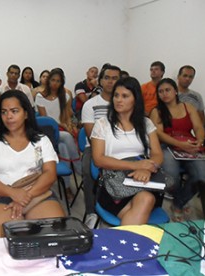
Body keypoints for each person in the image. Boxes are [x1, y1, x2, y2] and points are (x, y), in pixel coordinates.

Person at [0, 90, 65, 238]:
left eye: (14, 111)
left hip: (37, 192)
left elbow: (50, 174)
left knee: (56, 237)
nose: (8, 116)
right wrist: (13, 193)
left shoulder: (41, 140)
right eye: (4, 112)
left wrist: (26, 196)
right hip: (1, 194)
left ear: (26, 113)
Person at [91, 77, 163, 225]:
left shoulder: (146, 123)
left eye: (125, 96)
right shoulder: (102, 124)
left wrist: (147, 169)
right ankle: (129, 243)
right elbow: (98, 159)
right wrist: (136, 166)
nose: (118, 100)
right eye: (116, 95)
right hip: (113, 183)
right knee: (145, 202)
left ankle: (124, 245)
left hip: (142, 180)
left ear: (135, 99)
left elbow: (157, 154)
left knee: (146, 199)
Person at [150, 78, 205, 222]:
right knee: (172, 177)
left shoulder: (188, 107)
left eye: (167, 90)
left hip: (190, 147)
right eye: (160, 91)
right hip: (167, 147)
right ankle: (180, 202)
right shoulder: (157, 111)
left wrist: (199, 140)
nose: (164, 94)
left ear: (175, 91)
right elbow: (159, 134)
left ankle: (178, 203)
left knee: (201, 176)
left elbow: (198, 127)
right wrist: (180, 145)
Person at [81, 64, 121, 228]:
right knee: (88, 169)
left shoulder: (124, 102)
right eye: (107, 78)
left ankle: (123, 206)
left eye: (115, 78)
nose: (110, 82)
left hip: (121, 146)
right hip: (95, 146)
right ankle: (91, 212)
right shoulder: (90, 104)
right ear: (100, 81)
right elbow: (91, 136)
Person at [35, 68, 81, 202]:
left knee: (64, 149)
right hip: (48, 132)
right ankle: (78, 166)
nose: (55, 83)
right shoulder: (40, 96)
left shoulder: (65, 96)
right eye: (53, 80)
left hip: (62, 130)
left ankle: (66, 187)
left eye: (58, 81)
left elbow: (66, 115)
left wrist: (69, 125)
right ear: (48, 81)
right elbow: (47, 121)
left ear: (62, 83)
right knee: (66, 137)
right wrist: (64, 126)